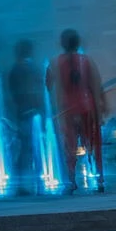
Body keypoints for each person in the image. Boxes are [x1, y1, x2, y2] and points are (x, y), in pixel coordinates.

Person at [46, 29, 109, 193]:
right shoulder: (87, 61)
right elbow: (96, 86)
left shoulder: (54, 63)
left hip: (66, 110)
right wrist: (101, 108)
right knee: (93, 144)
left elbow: (48, 87)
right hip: (86, 108)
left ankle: (71, 180)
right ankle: (99, 178)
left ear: (62, 43)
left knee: (69, 146)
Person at [6, 40, 45, 195]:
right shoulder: (25, 68)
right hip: (29, 112)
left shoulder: (17, 69)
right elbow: (33, 89)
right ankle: (27, 180)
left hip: (25, 112)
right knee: (29, 146)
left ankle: (29, 179)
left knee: (28, 146)